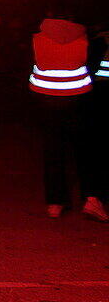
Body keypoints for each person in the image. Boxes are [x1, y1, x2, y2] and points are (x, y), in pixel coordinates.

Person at [31, 16, 107, 221]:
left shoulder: (37, 38)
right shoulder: (87, 38)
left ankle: (55, 202)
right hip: (80, 100)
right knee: (87, 151)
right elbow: (95, 69)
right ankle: (92, 200)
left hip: (47, 99)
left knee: (53, 150)